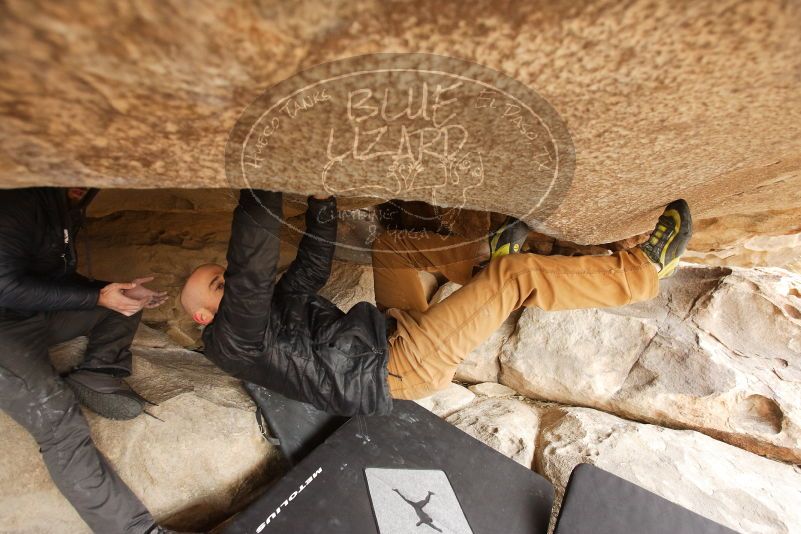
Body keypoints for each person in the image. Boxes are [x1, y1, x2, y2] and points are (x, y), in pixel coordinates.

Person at [180, 189, 690, 413]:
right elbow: (249, 270)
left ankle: (483, 263)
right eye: (218, 284)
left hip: (383, 332)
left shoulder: (269, 311)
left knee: (389, 248)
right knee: (515, 278)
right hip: (396, 366)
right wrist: (261, 180)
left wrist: (321, 207)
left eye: (222, 275)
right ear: (205, 317)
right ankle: (641, 272)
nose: (232, 281)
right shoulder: (232, 342)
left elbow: (308, 271)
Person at [0, 187, 185, 534]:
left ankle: (97, 373)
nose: (82, 179)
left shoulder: (65, 205)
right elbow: (3, 285)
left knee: (125, 305)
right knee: (59, 423)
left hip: (31, 313)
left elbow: (52, 280)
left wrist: (110, 292)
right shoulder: (19, 201)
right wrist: (96, 295)